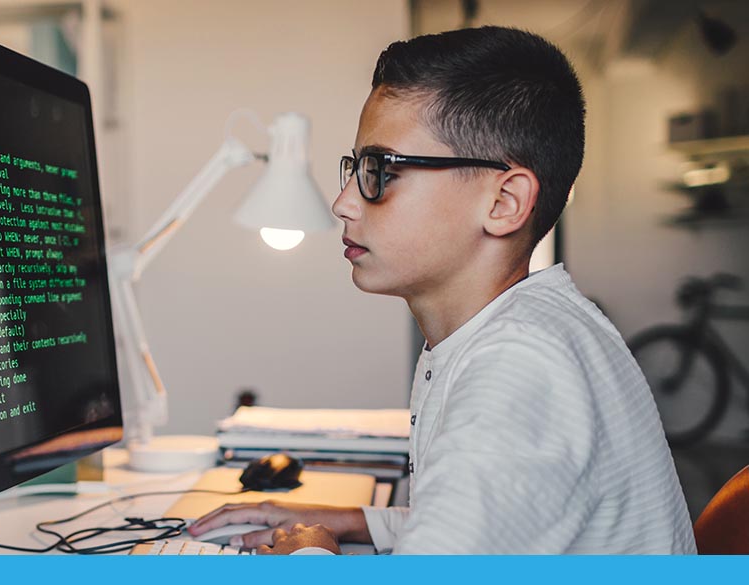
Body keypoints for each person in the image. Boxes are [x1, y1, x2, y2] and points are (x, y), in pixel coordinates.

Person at [187, 26, 696, 555]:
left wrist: (308, 554)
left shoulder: (519, 367)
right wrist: (352, 520)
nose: (343, 202)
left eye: (380, 170)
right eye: (355, 168)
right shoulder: (536, 327)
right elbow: (495, 524)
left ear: (504, 202)